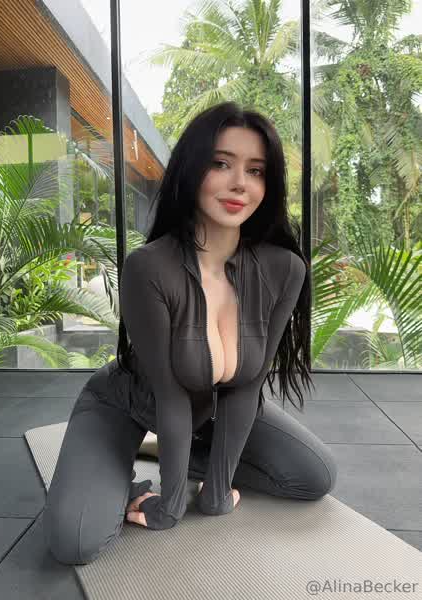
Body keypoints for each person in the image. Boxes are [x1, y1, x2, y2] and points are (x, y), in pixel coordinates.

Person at [43, 101, 337, 565]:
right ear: (191, 168)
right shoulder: (149, 267)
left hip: (208, 410)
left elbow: (247, 388)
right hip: (130, 399)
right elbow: (170, 396)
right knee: (75, 540)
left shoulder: (284, 269)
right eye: (221, 163)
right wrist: (170, 504)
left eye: (256, 171)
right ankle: (126, 463)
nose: (240, 183)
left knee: (313, 475)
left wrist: (217, 492)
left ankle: (171, 453)